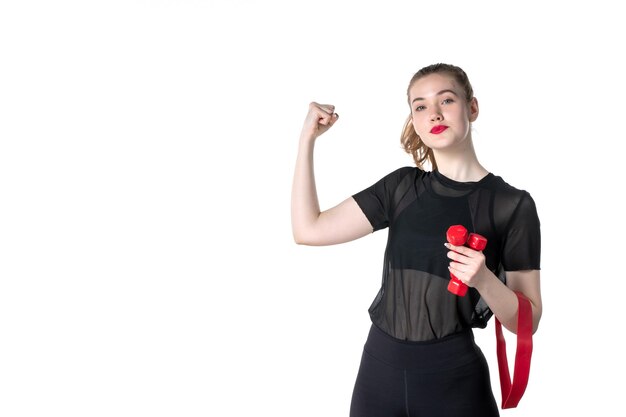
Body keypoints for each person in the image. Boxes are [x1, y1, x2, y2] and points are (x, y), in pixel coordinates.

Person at [291, 63, 542, 417]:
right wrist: (307, 140)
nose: (434, 113)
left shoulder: (512, 204)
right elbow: (308, 230)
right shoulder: (401, 188)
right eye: (420, 106)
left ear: (472, 107)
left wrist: (484, 279)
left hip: (454, 381)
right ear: (414, 120)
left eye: (447, 100)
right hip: (378, 372)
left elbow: (527, 320)